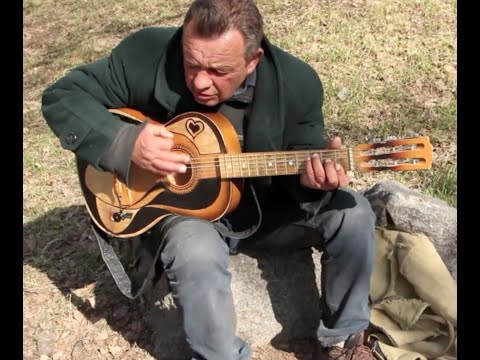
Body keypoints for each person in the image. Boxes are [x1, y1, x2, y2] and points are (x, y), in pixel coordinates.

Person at [41, 0, 377, 359]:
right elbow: (63, 97)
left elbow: (304, 158)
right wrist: (125, 143)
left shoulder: (297, 83)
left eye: (218, 70)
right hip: (179, 213)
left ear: (253, 60)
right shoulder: (147, 54)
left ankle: (345, 340)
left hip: (264, 209)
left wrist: (315, 182)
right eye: (192, 64)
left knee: (353, 212)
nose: (201, 81)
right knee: (194, 249)